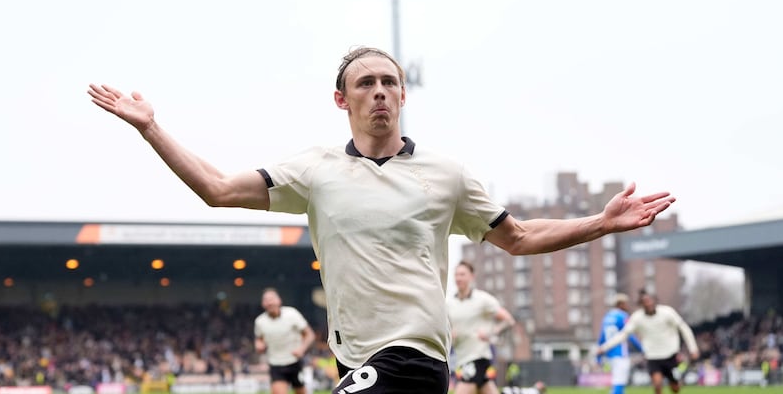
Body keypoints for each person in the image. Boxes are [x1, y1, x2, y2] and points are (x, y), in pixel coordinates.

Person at [88, 46, 676, 394]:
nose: (380, 92)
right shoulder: (313, 171)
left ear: (403, 96)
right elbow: (217, 190)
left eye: (389, 82)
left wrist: (599, 223)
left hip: (413, 355)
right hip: (353, 357)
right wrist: (150, 127)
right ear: (341, 99)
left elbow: (517, 238)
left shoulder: (446, 173)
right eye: (365, 83)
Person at [597, 291, 699, 394]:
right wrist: (604, 347)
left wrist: (693, 349)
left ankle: (676, 383)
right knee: (657, 384)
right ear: (641, 304)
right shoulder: (637, 318)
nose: (648, 304)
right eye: (645, 302)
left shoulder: (667, 312)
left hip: (670, 354)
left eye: (650, 301)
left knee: (675, 388)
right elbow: (623, 334)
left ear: (655, 301)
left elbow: (684, 328)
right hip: (652, 356)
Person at [448, 260, 516, 394]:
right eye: (456, 275)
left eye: (462, 274)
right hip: (461, 360)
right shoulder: (449, 303)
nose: (458, 278)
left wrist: (491, 334)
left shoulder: (483, 299)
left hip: (478, 358)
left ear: (472, 276)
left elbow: (509, 320)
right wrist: (450, 335)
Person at [253, 288, 316, 394]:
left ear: (279, 300)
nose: (269, 302)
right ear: (263, 304)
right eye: (266, 300)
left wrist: (302, 349)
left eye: (271, 299)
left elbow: (310, 335)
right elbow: (259, 339)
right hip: (276, 364)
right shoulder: (260, 321)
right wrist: (258, 345)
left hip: (294, 362)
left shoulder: (292, 314)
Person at [597, 293, 644, 394]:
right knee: (619, 383)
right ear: (621, 304)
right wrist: (642, 348)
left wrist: (599, 353)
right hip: (620, 353)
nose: (628, 306)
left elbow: (601, 337)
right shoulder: (622, 316)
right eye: (626, 303)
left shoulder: (607, 316)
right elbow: (629, 334)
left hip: (609, 354)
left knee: (618, 383)